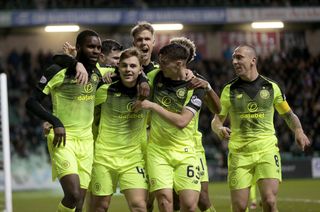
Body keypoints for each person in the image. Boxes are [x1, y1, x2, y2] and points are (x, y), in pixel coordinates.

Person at [211, 44, 311, 212]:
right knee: (239, 207)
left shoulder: (271, 87)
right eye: (233, 59)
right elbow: (216, 120)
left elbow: (289, 115)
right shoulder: (229, 90)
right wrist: (219, 129)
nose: (235, 62)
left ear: (253, 60)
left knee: (270, 202)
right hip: (239, 154)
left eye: (239, 57)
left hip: (266, 150)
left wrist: (298, 130)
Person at [25, 30, 104, 212]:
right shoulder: (57, 71)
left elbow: (123, 69)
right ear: (78, 48)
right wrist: (55, 122)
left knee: (79, 205)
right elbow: (31, 102)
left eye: (98, 48)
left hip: (87, 142)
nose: (95, 51)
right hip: (63, 139)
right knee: (73, 195)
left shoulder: (97, 73)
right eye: (90, 46)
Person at [134, 43, 205, 212]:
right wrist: (143, 79)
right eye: (160, 61)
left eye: (165, 62)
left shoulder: (196, 86)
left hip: (186, 151)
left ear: (179, 64)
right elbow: (136, 73)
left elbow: (182, 121)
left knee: (189, 205)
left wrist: (153, 106)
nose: (161, 65)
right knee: (165, 202)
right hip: (158, 152)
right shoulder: (156, 75)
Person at [90, 47, 148, 212]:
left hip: (133, 159)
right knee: (100, 207)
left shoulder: (147, 92)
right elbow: (84, 107)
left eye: (132, 66)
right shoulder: (104, 89)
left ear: (140, 69)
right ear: (118, 68)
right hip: (104, 157)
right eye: (124, 66)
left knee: (139, 206)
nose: (128, 69)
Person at [170, 37, 219, 212]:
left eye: (183, 54)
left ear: (189, 59)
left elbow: (218, 109)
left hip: (192, 145)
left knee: (202, 198)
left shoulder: (197, 81)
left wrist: (208, 88)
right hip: (165, 144)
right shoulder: (159, 76)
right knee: (173, 201)